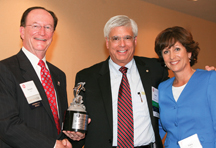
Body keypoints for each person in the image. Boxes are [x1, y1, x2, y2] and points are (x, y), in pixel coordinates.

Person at [72, 15, 168, 148]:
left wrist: (202, 76)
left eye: (127, 38)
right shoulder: (87, 77)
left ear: (135, 41)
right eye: (115, 38)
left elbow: (178, 89)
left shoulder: (155, 69)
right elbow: (79, 123)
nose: (122, 44)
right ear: (107, 42)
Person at [0, 6, 73, 148]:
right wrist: (52, 145)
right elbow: (6, 124)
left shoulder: (59, 75)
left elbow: (57, 123)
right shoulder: (5, 70)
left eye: (48, 27)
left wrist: (72, 134)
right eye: (35, 26)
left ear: (53, 34)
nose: (42, 32)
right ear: (22, 31)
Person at [155, 26, 216, 147]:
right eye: (166, 52)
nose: (172, 56)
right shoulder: (162, 88)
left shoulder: (210, 79)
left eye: (177, 49)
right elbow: (158, 127)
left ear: (189, 53)